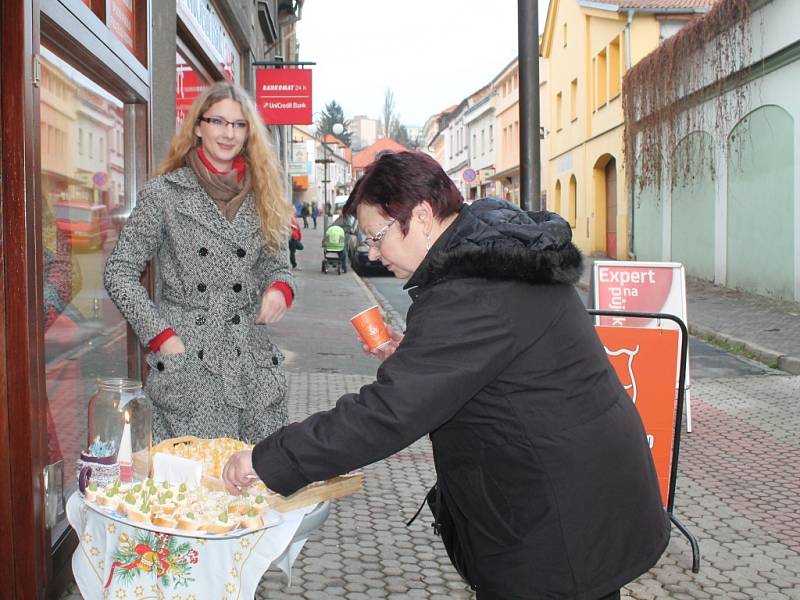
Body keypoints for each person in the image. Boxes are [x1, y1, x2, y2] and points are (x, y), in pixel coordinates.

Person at [223, 151, 669, 599]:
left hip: (559, 518)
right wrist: (419, 357)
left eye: (378, 237)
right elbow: (481, 366)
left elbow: (386, 413)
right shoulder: (487, 258)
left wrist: (269, 460)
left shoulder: (473, 288)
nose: (374, 254)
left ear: (420, 216)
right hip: (571, 494)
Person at [104, 81, 295, 444]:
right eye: (218, 122)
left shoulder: (264, 192)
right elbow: (120, 271)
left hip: (250, 360)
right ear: (198, 127)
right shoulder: (165, 193)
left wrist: (279, 290)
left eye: (239, 125)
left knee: (256, 483)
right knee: (195, 484)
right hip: (190, 359)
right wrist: (163, 337)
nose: (229, 133)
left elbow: (277, 265)